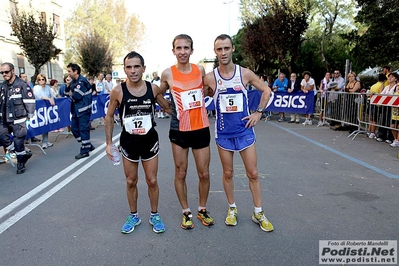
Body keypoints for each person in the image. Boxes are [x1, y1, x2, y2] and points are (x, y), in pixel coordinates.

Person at [203, 34, 274, 232]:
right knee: (228, 172)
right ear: (215, 52)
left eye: (226, 48)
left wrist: (258, 113)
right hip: (223, 134)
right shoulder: (210, 77)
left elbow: (266, 91)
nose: (223, 52)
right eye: (219, 49)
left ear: (233, 49)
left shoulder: (245, 74)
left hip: (244, 132)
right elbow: (199, 95)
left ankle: (258, 212)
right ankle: (232, 208)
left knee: (253, 173)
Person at [105, 51, 171, 234]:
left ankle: (154, 214)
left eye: (136, 66)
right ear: (124, 69)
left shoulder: (153, 88)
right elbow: (109, 117)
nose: (133, 71)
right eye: (129, 67)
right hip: (129, 142)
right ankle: (134, 215)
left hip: (149, 141)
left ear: (143, 68)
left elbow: (167, 108)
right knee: (131, 181)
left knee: (151, 180)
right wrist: (109, 144)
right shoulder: (118, 90)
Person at [159, 34, 214, 230]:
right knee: (181, 172)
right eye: (178, 48)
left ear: (192, 50)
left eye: (186, 48)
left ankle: (202, 208)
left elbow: (209, 89)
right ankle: (186, 212)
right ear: (173, 51)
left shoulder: (200, 70)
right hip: (179, 129)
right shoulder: (168, 73)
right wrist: (168, 107)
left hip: (200, 127)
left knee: (204, 173)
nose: (182, 51)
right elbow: (157, 92)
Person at [0, 63, 35, 174]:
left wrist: (29, 118)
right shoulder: (3, 85)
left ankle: (21, 163)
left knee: (18, 141)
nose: (4, 74)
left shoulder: (22, 84)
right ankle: (24, 153)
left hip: (18, 119)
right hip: (4, 119)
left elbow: (30, 101)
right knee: (2, 136)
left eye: (6, 72)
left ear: (12, 71)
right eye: (2, 73)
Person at [65, 63, 95, 159]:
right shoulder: (74, 81)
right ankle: (87, 145)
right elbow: (66, 93)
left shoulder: (82, 82)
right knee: (74, 129)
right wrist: (68, 85)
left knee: (83, 129)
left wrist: (71, 94)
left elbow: (76, 96)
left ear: (75, 71)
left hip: (83, 109)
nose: (68, 73)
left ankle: (85, 150)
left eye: (69, 71)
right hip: (76, 110)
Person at [33, 74, 55, 149]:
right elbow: (39, 96)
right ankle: (43, 142)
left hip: (47, 108)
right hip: (39, 108)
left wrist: (51, 98)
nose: (41, 81)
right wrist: (49, 99)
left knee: (47, 124)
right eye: (39, 79)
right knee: (42, 124)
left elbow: (51, 95)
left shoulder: (48, 87)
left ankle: (46, 141)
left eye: (43, 79)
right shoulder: (36, 88)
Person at [376, 72, 398, 144]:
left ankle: (391, 138)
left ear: (396, 79)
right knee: (384, 119)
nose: (389, 78)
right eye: (389, 77)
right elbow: (382, 94)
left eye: (392, 77)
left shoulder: (397, 87)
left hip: (394, 107)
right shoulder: (387, 87)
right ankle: (382, 135)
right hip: (385, 106)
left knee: (392, 122)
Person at [19, 73, 40, 143]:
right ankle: (25, 139)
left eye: (26, 76)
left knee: (30, 123)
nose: (25, 78)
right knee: (24, 125)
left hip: (29, 107)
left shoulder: (29, 84)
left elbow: (31, 93)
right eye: (23, 77)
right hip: (22, 108)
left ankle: (32, 137)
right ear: (20, 78)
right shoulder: (18, 85)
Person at [367, 74, 387, 139]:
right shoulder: (381, 85)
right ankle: (372, 132)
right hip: (377, 104)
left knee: (371, 118)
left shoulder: (373, 85)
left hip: (371, 102)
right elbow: (381, 94)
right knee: (375, 118)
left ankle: (369, 131)